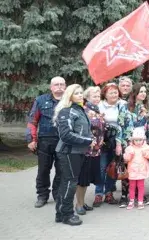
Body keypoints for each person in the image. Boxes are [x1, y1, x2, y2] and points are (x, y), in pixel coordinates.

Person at [53, 84, 95, 226]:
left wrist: (89, 139)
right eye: (76, 93)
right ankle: (66, 214)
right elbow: (66, 135)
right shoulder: (66, 111)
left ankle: (60, 213)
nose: (80, 95)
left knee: (67, 182)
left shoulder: (79, 110)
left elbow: (82, 131)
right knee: (70, 183)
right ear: (69, 95)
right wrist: (88, 141)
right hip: (68, 152)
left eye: (81, 93)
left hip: (77, 152)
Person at [26, 76, 66, 208]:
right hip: (45, 140)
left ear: (65, 87)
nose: (59, 87)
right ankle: (42, 195)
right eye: (56, 84)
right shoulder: (41, 100)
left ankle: (57, 194)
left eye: (62, 84)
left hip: (64, 141)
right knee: (43, 170)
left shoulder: (69, 101)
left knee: (61, 170)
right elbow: (33, 121)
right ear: (51, 87)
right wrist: (31, 139)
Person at [117, 83, 149, 208]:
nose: (143, 94)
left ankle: (139, 194)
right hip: (128, 143)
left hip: (142, 144)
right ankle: (124, 196)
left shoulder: (147, 108)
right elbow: (119, 125)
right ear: (135, 93)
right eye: (140, 91)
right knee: (127, 170)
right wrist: (118, 143)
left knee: (140, 169)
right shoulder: (125, 107)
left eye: (144, 91)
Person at [94, 83, 126, 206]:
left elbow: (121, 126)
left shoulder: (122, 105)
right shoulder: (99, 105)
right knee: (101, 168)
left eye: (116, 92)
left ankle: (109, 192)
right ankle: (98, 193)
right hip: (102, 141)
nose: (114, 94)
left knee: (112, 167)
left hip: (115, 140)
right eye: (111, 92)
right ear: (105, 94)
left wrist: (119, 144)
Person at [75, 87, 103, 216]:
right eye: (94, 96)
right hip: (86, 150)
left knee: (86, 179)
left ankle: (82, 202)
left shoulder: (97, 110)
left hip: (95, 150)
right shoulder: (85, 110)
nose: (97, 98)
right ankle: (78, 204)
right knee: (82, 179)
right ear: (87, 97)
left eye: (98, 96)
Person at [123, 127, 149, 210]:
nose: (138, 142)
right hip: (132, 170)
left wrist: (146, 153)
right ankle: (131, 201)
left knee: (141, 186)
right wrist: (129, 155)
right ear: (133, 140)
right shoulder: (129, 148)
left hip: (141, 170)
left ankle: (140, 201)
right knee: (132, 186)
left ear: (143, 140)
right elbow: (125, 158)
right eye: (136, 140)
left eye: (140, 140)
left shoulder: (145, 147)